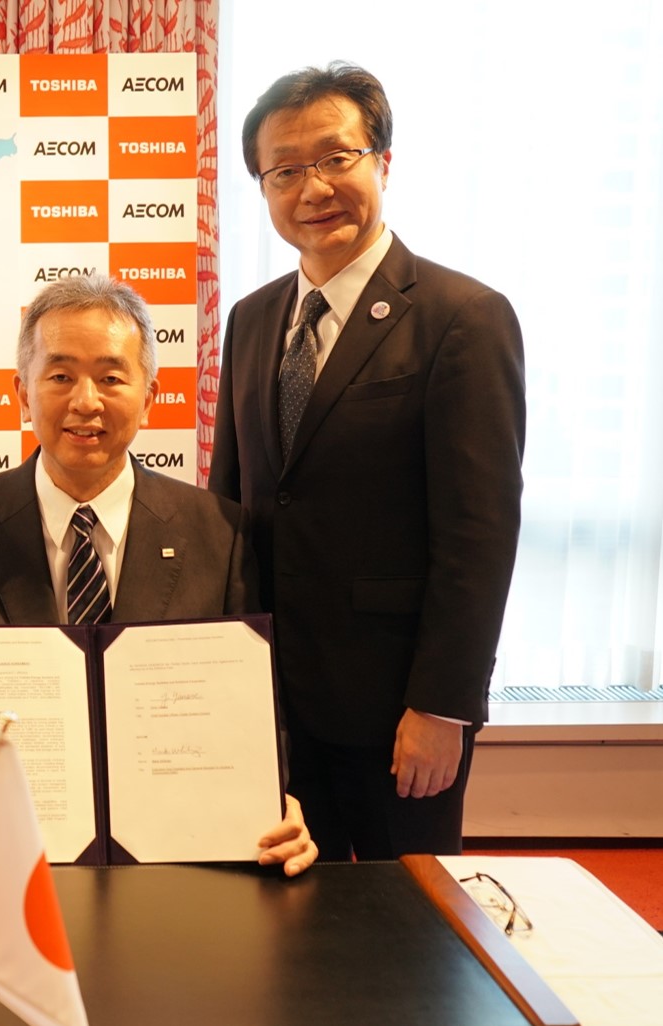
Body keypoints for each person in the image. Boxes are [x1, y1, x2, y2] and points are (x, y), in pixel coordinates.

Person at [0, 273, 317, 874]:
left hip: (176, 863)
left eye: (112, 377)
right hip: (3, 858)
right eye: (60, 376)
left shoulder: (219, 529)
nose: (86, 401)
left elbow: (252, 705)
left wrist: (271, 800)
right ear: (21, 390)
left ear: (150, 395)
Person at [210, 63, 526, 860]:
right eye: (283, 170)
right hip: (271, 705)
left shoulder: (462, 318)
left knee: (409, 941)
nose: (311, 188)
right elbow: (230, 507)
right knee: (277, 935)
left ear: (382, 161)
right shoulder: (251, 320)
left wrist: (442, 706)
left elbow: (477, 534)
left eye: (334, 158)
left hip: (397, 712)